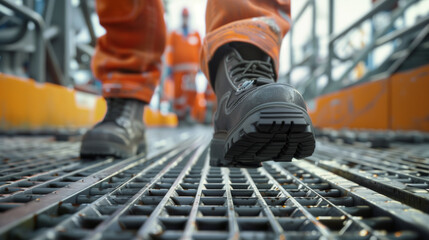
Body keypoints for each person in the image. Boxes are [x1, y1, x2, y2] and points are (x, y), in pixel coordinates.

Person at [80, 0, 316, 167]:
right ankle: (126, 94)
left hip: (192, 79)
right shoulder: (177, 35)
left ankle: (244, 58)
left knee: (244, 36)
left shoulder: (192, 35)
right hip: (180, 80)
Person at [165, 8, 201, 122]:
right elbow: (170, 50)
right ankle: (179, 115)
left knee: (191, 91)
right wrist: (169, 65)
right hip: (177, 69)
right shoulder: (174, 33)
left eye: (186, 16)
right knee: (178, 92)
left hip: (192, 70)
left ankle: (189, 114)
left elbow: (200, 51)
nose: (185, 18)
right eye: (183, 16)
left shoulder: (195, 33)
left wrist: (200, 65)